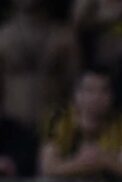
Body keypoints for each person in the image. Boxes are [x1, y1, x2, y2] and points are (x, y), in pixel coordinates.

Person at [38, 67, 122, 181]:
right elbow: (48, 168)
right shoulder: (59, 118)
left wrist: (103, 159)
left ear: (112, 96)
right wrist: (84, 163)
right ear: (76, 94)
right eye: (89, 90)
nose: (96, 97)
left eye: (104, 91)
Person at [0, 0, 78, 133]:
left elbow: (75, 84)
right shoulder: (3, 37)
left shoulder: (64, 36)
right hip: (11, 124)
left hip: (54, 124)